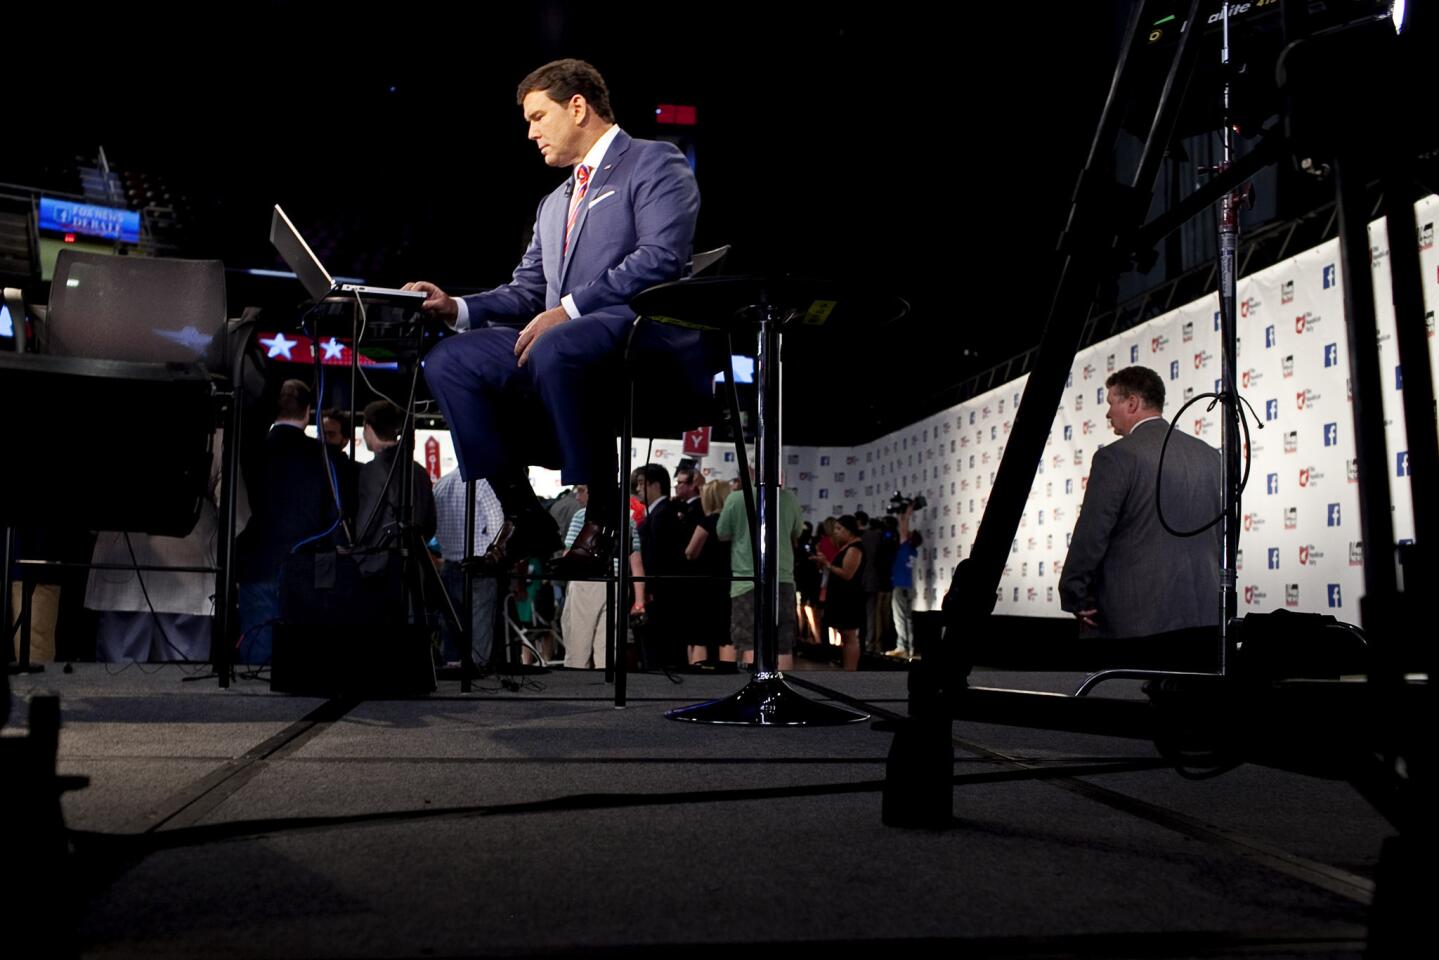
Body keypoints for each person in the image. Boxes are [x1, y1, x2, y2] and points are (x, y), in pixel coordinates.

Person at [408, 58, 701, 577]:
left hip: (635, 329)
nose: (530, 132)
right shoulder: (553, 203)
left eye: (538, 116)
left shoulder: (655, 162)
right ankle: (524, 515)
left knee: (554, 342)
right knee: (448, 361)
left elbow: (660, 259)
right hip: (565, 339)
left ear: (578, 107)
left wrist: (566, 309)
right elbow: (526, 291)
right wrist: (457, 306)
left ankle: (605, 515)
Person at [1058, 366, 1221, 646]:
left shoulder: (1115, 457)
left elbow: (1093, 534)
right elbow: (1222, 534)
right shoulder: (1208, 455)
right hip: (1204, 616)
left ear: (1132, 402)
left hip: (1137, 620)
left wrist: (1074, 594)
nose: (1108, 414)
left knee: (1122, 691)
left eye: (1111, 403)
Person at [716, 474, 803, 672]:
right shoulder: (788, 498)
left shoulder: (736, 498)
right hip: (783, 580)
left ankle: (754, 694)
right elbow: (797, 532)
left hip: (745, 581)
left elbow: (722, 532)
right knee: (783, 645)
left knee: (748, 642)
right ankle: (783, 696)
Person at [354, 400, 437, 578]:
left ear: (368, 427)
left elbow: (365, 526)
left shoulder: (372, 471)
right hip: (415, 569)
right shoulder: (419, 471)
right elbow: (430, 524)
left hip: (380, 570)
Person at [682, 478, 734, 664]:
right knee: (725, 636)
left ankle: (699, 677)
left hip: (704, 585)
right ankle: (729, 675)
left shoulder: (708, 521)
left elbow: (690, 552)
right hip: (728, 583)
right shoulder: (733, 524)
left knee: (699, 636)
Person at [812, 514, 865, 671]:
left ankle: (850, 671)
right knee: (846, 636)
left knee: (850, 636)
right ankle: (848, 669)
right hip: (843, 597)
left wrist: (827, 564)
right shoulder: (847, 547)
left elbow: (847, 573)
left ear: (849, 530)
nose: (835, 532)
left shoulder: (855, 548)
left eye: (839, 529)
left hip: (850, 598)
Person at [887, 505, 923, 660]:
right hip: (908, 587)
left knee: (900, 619)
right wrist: (902, 516)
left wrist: (907, 514)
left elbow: (902, 529)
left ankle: (902, 648)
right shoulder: (913, 550)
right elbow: (903, 529)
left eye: (909, 533)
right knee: (907, 619)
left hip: (900, 588)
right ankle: (909, 648)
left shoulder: (905, 547)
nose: (906, 532)